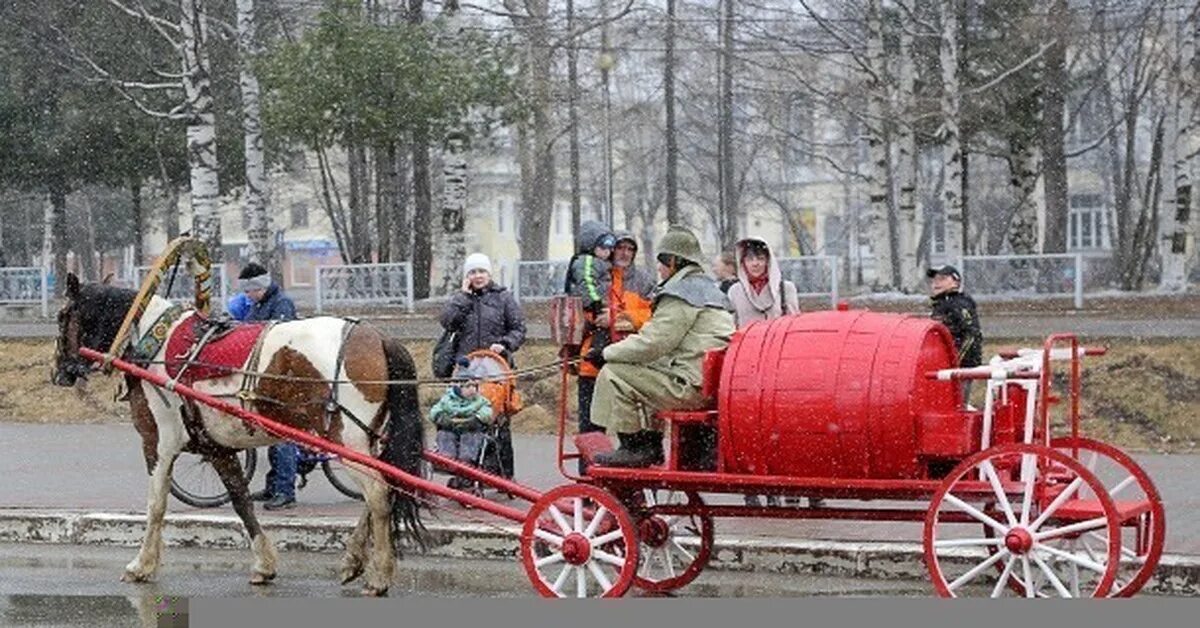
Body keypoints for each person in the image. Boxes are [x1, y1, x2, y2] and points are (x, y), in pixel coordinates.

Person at [591, 226, 736, 468]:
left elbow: (653, 343)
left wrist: (606, 354)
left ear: (674, 261)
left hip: (689, 389)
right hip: (709, 385)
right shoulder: (707, 290)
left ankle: (634, 446)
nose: (659, 268)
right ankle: (650, 445)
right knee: (641, 371)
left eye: (661, 261)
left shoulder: (681, 294)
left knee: (614, 372)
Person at [725, 237, 808, 507]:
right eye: (750, 259)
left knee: (784, 428)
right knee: (750, 428)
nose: (756, 264)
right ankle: (754, 486)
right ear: (743, 263)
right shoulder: (735, 292)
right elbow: (731, 328)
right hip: (747, 368)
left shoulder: (785, 289)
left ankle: (790, 486)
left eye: (760, 258)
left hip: (779, 368)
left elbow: (795, 324)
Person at [439, 253, 526, 479]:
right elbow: (447, 322)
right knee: (463, 420)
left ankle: (503, 475)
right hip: (466, 369)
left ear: (489, 273)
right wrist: (463, 297)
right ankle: (465, 473)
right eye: (473, 272)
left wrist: (505, 344)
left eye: (481, 271)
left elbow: (518, 329)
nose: (478, 276)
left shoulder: (503, 298)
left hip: (496, 369)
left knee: (497, 422)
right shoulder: (461, 300)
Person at [574, 232, 655, 473]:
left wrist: (625, 319)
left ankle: (627, 482)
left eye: (630, 249)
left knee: (629, 427)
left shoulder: (644, 281)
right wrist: (596, 319)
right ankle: (589, 482)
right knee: (591, 428)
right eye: (621, 248)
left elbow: (657, 316)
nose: (625, 253)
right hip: (593, 363)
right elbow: (580, 308)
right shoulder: (597, 275)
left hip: (628, 366)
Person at [239, 263, 301, 511]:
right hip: (268, 376)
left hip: (285, 378)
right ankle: (273, 485)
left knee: (282, 436)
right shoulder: (259, 304)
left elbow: (280, 339)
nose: (247, 296)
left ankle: (286, 491)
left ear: (260, 287)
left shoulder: (281, 304)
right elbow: (250, 330)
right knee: (271, 435)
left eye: (250, 291)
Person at [430, 358, 494, 490]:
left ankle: (466, 461)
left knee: (469, 438)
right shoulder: (447, 400)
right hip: (451, 427)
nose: (472, 390)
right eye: (467, 386)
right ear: (457, 388)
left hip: (471, 429)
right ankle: (446, 458)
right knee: (444, 434)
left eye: (474, 386)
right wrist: (442, 418)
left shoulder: (480, 401)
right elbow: (434, 411)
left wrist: (477, 419)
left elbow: (487, 412)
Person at [927, 264, 983, 406]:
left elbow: (971, 333)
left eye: (942, 278)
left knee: (955, 406)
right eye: (934, 279)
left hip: (958, 367)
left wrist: (955, 361)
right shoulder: (941, 305)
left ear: (955, 282)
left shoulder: (959, 304)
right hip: (943, 366)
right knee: (942, 404)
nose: (936, 282)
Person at [564, 220, 617, 367]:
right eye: (603, 246)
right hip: (591, 306)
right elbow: (586, 283)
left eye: (610, 247)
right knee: (598, 328)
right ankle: (586, 353)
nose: (607, 251)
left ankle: (584, 353)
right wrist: (595, 302)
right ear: (590, 246)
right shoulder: (586, 262)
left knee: (600, 329)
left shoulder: (603, 263)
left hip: (600, 303)